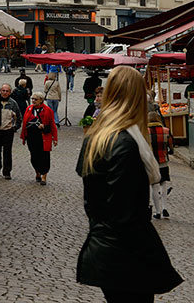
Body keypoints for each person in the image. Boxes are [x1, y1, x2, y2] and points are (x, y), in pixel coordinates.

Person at [76, 66, 182, 301]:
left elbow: (92, 198)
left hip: (105, 245)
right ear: (137, 97)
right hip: (125, 253)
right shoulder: (126, 143)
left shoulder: (96, 136)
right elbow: (124, 211)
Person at [21, 91, 57, 185]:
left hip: (43, 137)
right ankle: (37, 172)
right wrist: (24, 136)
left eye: (35, 99)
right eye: (32, 98)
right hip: (32, 136)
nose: (33, 101)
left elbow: (52, 124)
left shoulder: (48, 110)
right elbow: (24, 122)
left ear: (41, 100)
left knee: (44, 156)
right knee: (34, 156)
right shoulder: (29, 109)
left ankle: (44, 176)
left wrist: (55, 138)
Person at [147, 111, 175, 220]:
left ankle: (157, 211)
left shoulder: (145, 132)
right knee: (163, 183)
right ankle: (164, 208)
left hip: (151, 162)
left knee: (154, 186)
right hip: (163, 161)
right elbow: (171, 145)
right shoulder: (166, 131)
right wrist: (170, 150)